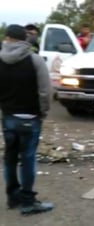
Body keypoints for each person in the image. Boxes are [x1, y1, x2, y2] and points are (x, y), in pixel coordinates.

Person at [0, 24, 53, 215]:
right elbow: (45, 92)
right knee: (28, 160)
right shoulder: (35, 60)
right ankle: (28, 202)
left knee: (10, 159)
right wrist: (43, 112)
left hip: (8, 118)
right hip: (31, 118)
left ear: (6, 38)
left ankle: (12, 197)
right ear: (25, 39)